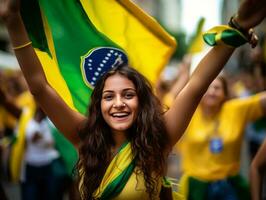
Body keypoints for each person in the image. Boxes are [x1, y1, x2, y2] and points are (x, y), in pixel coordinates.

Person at [0, 0, 265, 199]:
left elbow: (196, 86)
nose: (118, 103)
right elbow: (39, 87)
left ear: (142, 103)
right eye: (108, 96)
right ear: (98, 105)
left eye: (128, 95)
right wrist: (13, 20)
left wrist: (236, 29)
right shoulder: (84, 136)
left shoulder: (157, 139)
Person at [176, 75, 266, 200]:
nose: (212, 91)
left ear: (224, 93)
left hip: (229, 185)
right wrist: (185, 73)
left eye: (217, 88)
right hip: (196, 186)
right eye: (207, 87)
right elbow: (167, 99)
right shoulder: (187, 111)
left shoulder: (235, 109)